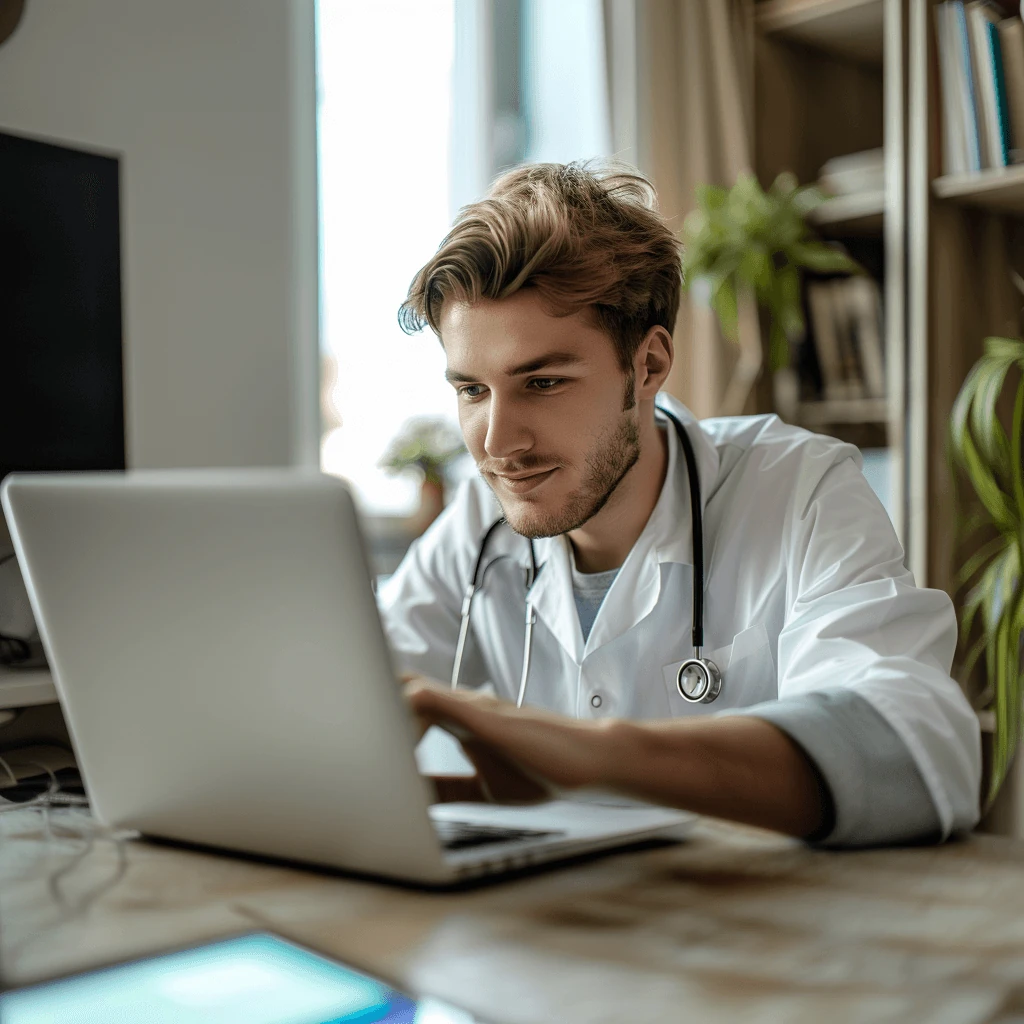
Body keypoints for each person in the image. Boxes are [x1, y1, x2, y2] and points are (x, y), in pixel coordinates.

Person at [379, 161, 980, 846]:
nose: (498, 443)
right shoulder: (479, 527)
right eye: (472, 391)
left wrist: (584, 753)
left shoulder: (797, 487)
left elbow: (919, 751)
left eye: (542, 382)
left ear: (649, 364)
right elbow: (344, 694)